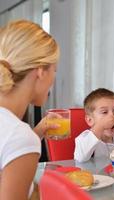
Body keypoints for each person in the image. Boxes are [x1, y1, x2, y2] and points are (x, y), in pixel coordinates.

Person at [0, 20, 60, 199]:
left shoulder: (14, 132)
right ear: (41, 71)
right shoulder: (20, 137)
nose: (53, 80)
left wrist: (36, 133)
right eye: (54, 70)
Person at [74, 88, 114, 162]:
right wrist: (100, 126)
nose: (112, 116)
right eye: (104, 112)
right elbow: (81, 158)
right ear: (90, 120)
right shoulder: (83, 139)